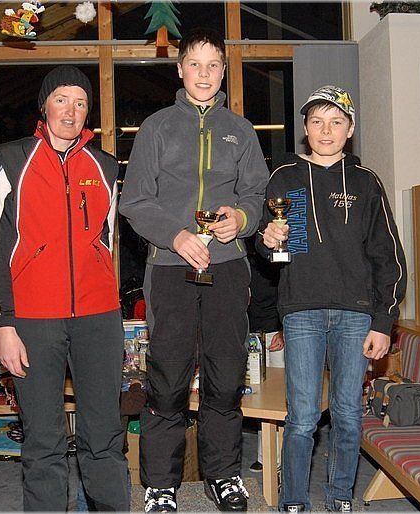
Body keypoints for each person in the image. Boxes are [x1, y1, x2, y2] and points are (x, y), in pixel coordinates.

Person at [119, 28, 269, 513]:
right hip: (169, 267)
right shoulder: (157, 127)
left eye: (213, 65)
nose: (204, 74)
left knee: (226, 374)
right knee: (167, 376)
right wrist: (176, 236)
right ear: (180, 69)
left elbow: (257, 194)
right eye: (195, 64)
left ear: (223, 71)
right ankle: (160, 484)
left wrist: (240, 219)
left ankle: (222, 475)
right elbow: (134, 200)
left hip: (228, 266)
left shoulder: (240, 130)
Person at [0, 65, 129, 511]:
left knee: (103, 435)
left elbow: (107, 242)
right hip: (34, 320)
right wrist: (4, 325)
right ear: (44, 106)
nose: (71, 110)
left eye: (80, 102)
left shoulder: (105, 166)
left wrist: (111, 306)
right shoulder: (11, 160)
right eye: (62, 100)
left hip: (98, 319)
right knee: (44, 440)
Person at [258, 85, 407, 512]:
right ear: (305, 128)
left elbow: (388, 256)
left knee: (346, 412)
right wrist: (269, 240)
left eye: (336, 122)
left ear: (350, 129)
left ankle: (340, 496)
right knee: (302, 417)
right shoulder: (284, 178)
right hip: (301, 311)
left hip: (356, 315)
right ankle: (293, 501)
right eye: (317, 121)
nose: (326, 131)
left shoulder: (366, 182)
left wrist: (384, 321)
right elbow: (273, 251)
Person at [245, 237, 284, 473]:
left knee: (279, 398)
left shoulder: (278, 259)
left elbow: (289, 296)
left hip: (276, 336)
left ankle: (279, 458)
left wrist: (284, 331)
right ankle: (266, 456)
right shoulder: (242, 261)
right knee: (258, 398)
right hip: (250, 337)